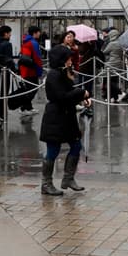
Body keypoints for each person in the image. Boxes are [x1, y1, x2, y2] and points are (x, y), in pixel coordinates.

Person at [39, 45, 91, 196]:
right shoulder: (54, 75)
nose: (70, 61)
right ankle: (46, 183)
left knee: (76, 145)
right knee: (53, 150)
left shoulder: (64, 73)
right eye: (68, 58)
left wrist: (81, 99)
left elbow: (69, 93)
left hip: (67, 116)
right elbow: (61, 96)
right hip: (56, 117)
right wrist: (82, 93)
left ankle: (68, 178)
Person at [18, 26, 44, 115]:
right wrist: (39, 69)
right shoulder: (32, 43)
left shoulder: (27, 42)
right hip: (31, 71)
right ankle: (23, 107)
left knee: (30, 89)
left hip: (27, 70)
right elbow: (36, 58)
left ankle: (28, 107)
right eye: (39, 32)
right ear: (35, 33)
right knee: (32, 89)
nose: (40, 34)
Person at [102, 28, 125, 102]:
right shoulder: (120, 43)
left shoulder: (112, 44)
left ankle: (120, 93)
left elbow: (105, 51)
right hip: (118, 63)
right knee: (114, 80)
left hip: (111, 63)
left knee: (109, 81)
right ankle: (114, 97)